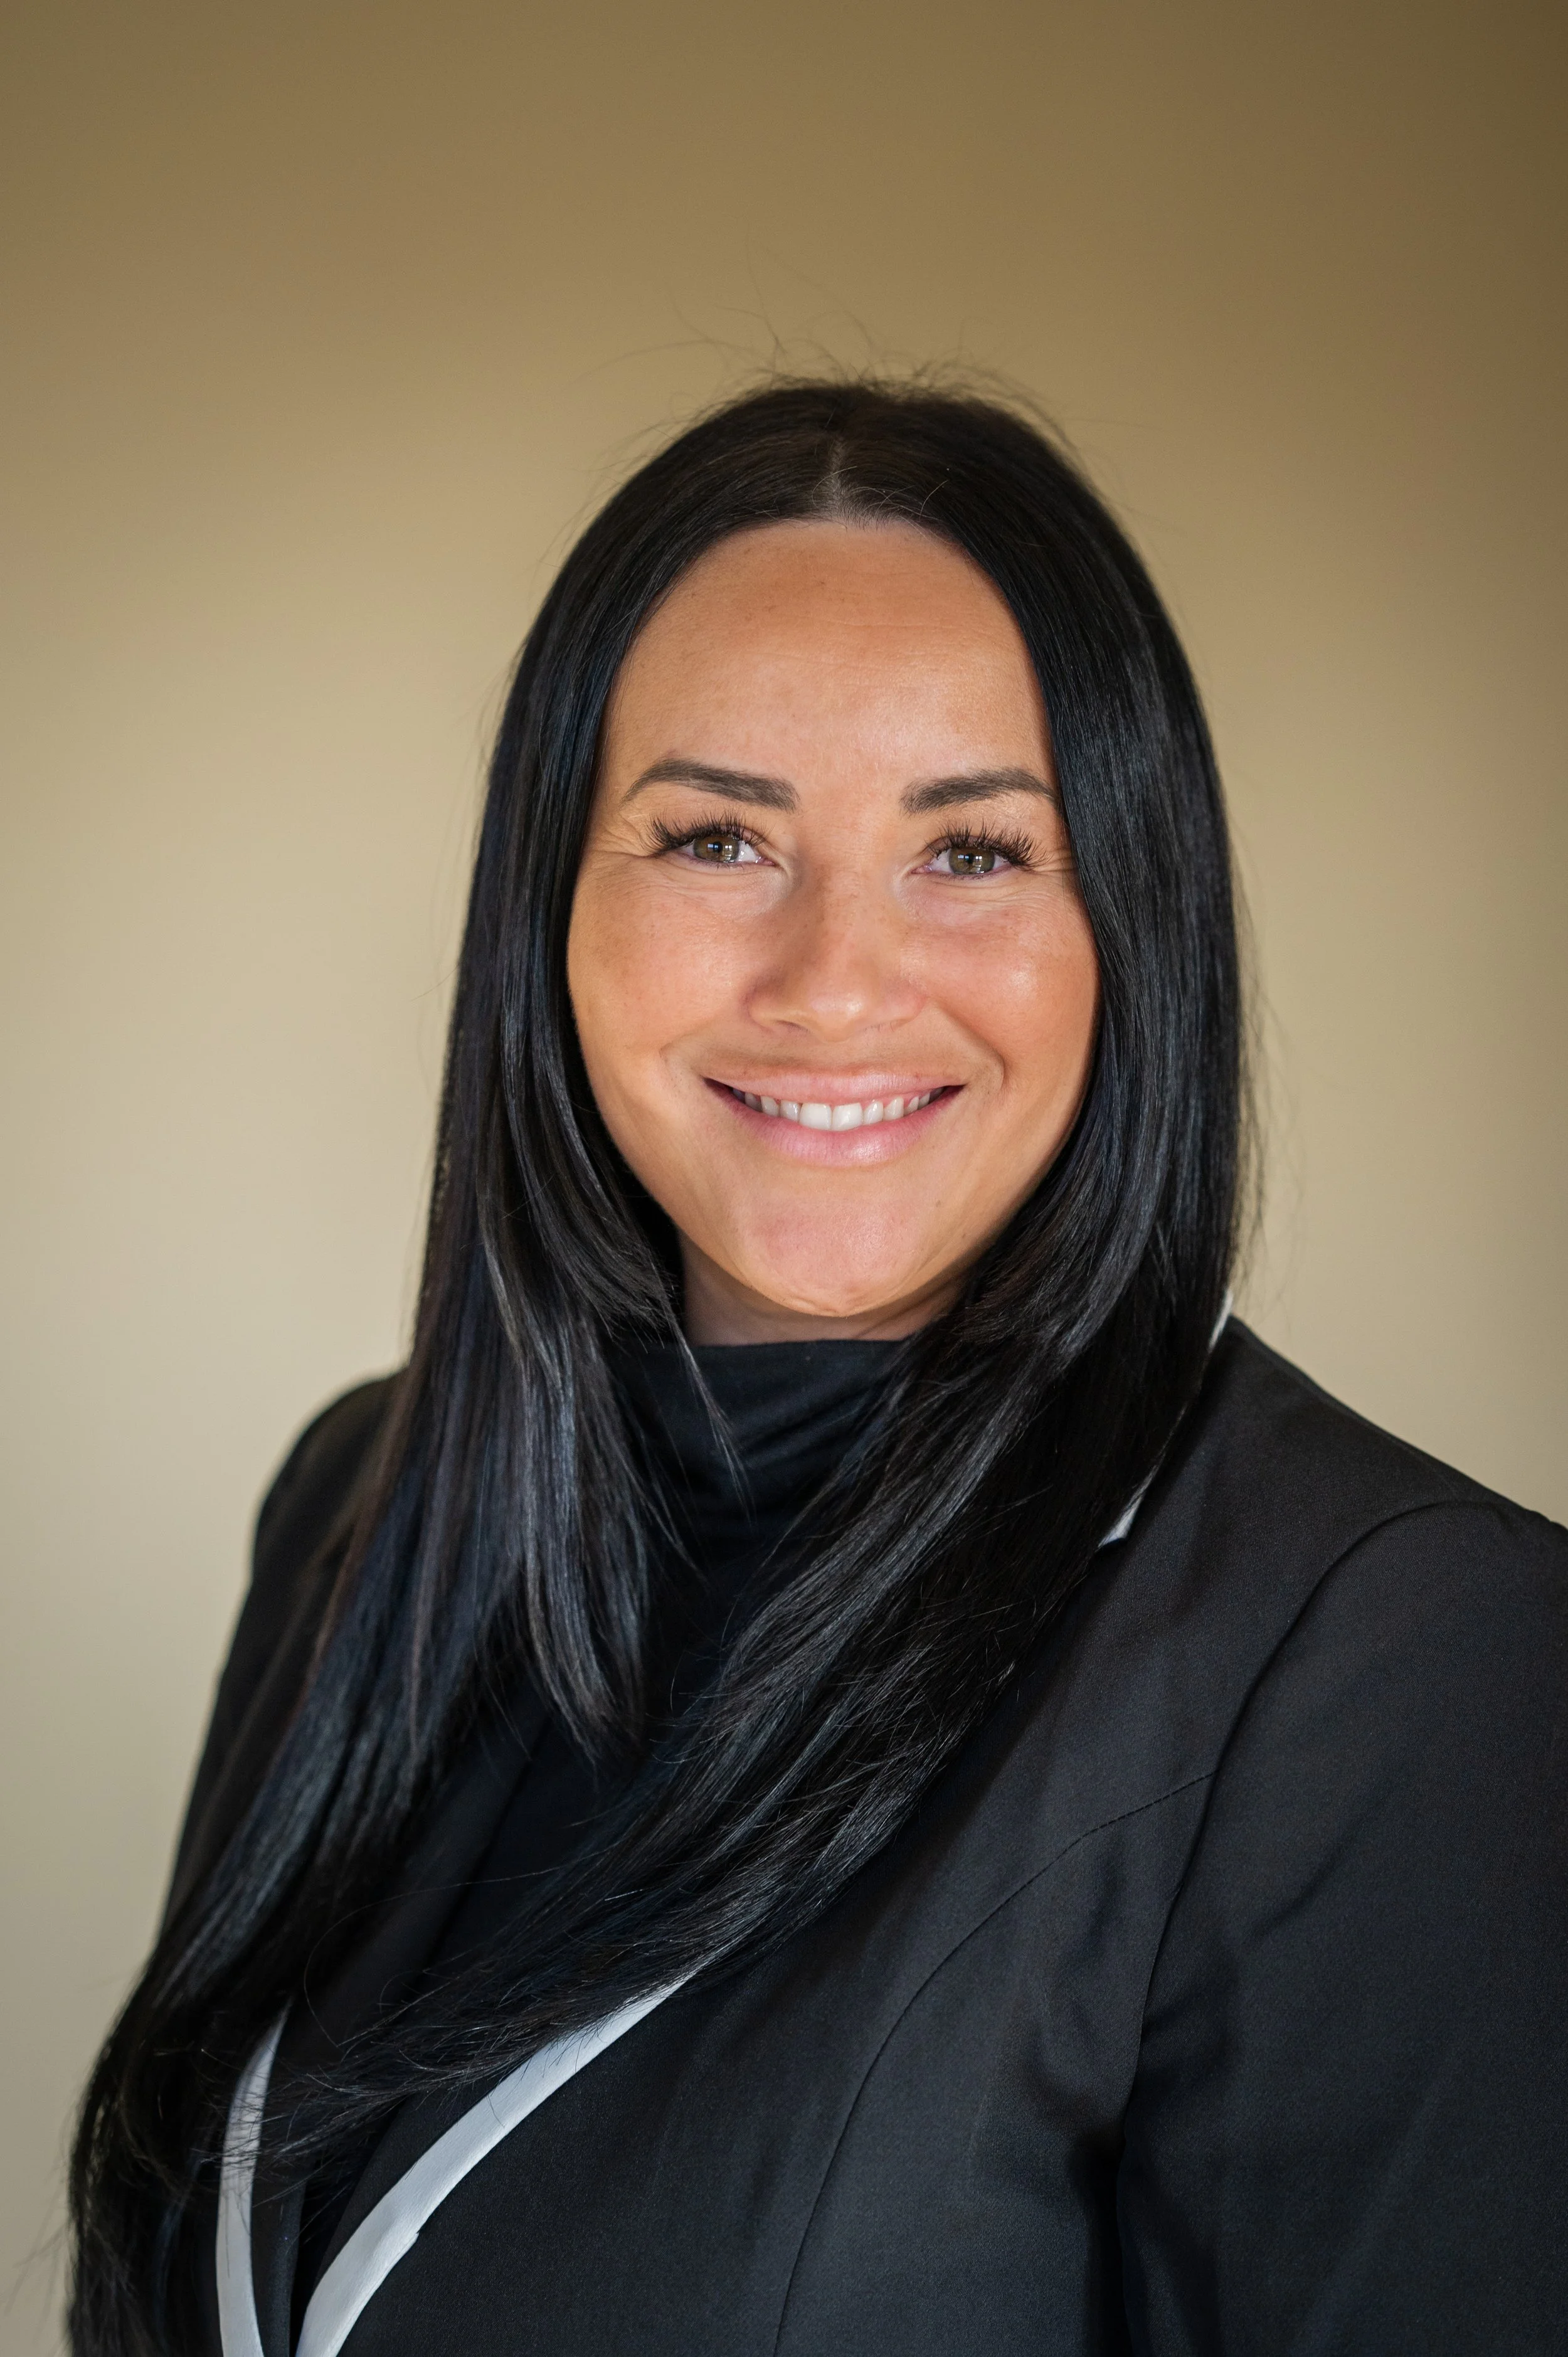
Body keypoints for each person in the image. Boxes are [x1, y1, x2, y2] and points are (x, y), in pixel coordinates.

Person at [70, 379, 1567, 2357]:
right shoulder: (361, 1506)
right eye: (715, 835)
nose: (834, 981)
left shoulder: (1403, 1657)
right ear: (549, 907)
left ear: (1130, 926)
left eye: (971, 850)